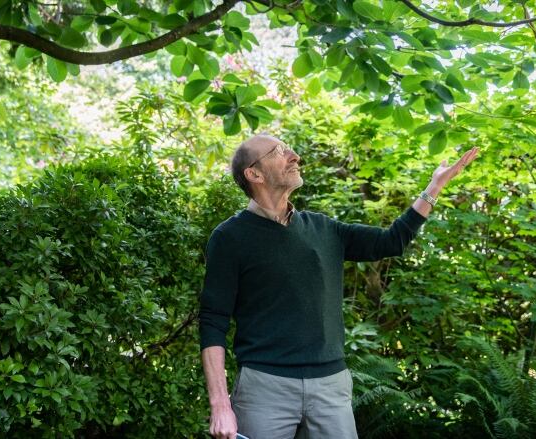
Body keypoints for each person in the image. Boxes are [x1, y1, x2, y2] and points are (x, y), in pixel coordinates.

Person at [199, 133, 479, 439]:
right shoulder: (229, 238)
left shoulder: (324, 228)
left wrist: (434, 187)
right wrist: (220, 405)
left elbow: (392, 241)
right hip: (264, 389)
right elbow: (213, 321)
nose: (294, 156)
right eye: (279, 151)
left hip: (331, 388)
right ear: (254, 174)